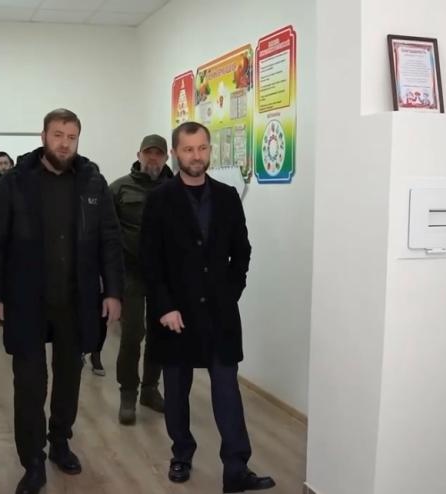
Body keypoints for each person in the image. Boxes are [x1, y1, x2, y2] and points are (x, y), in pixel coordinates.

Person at [0, 108, 124, 494]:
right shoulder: (16, 182)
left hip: (75, 300)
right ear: (43, 136)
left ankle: (60, 442)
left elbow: (110, 240)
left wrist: (113, 291)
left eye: (71, 137)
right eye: (58, 135)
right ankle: (32, 462)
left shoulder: (92, 181)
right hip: (26, 299)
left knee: (68, 379)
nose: (64, 143)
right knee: (29, 385)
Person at [140, 121, 275, 492]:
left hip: (219, 313)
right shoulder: (160, 199)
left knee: (227, 390)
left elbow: (241, 252)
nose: (196, 156)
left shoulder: (227, 196)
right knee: (177, 390)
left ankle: (236, 468)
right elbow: (149, 260)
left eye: (202, 148)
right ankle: (181, 454)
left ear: (209, 150)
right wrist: (164, 307)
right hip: (175, 314)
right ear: (175, 153)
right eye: (188, 149)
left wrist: (230, 293)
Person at [109, 133, 173, 425]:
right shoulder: (119, 188)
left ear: (166, 157)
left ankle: (150, 389)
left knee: (160, 334)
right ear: (139, 155)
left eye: (158, 153)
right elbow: (107, 235)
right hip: (130, 273)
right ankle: (128, 393)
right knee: (133, 334)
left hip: (164, 276)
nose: (153, 158)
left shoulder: (176, 188)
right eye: (148, 153)